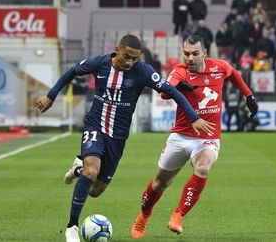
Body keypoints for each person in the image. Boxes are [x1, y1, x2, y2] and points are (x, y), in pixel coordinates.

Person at [35, 34, 214, 242]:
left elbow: (172, 92)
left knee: (95, 190)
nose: (130, 62)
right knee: (92, 169)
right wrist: (51, 95)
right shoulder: (99, 63)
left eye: (135, 58)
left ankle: (78, 169)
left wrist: (193, 117)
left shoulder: (143, 71)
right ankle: (72, 227)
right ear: (117, 49)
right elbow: (72, 71)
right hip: (95, 125)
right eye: (127, 56)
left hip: (118, 137)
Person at [130, 34, 258, 239]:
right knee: (159, 183)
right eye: (186, 53)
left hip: (207, 137)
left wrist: (248, 95)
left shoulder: (219, 67)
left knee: (204, 166)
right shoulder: (180, 71)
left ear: (204, 53)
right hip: (180, 136)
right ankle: (144, 216)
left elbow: (233, 73)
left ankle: (178, 215)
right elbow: (164, 91)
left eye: (195, 54)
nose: (189, 58)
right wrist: (176, 87)